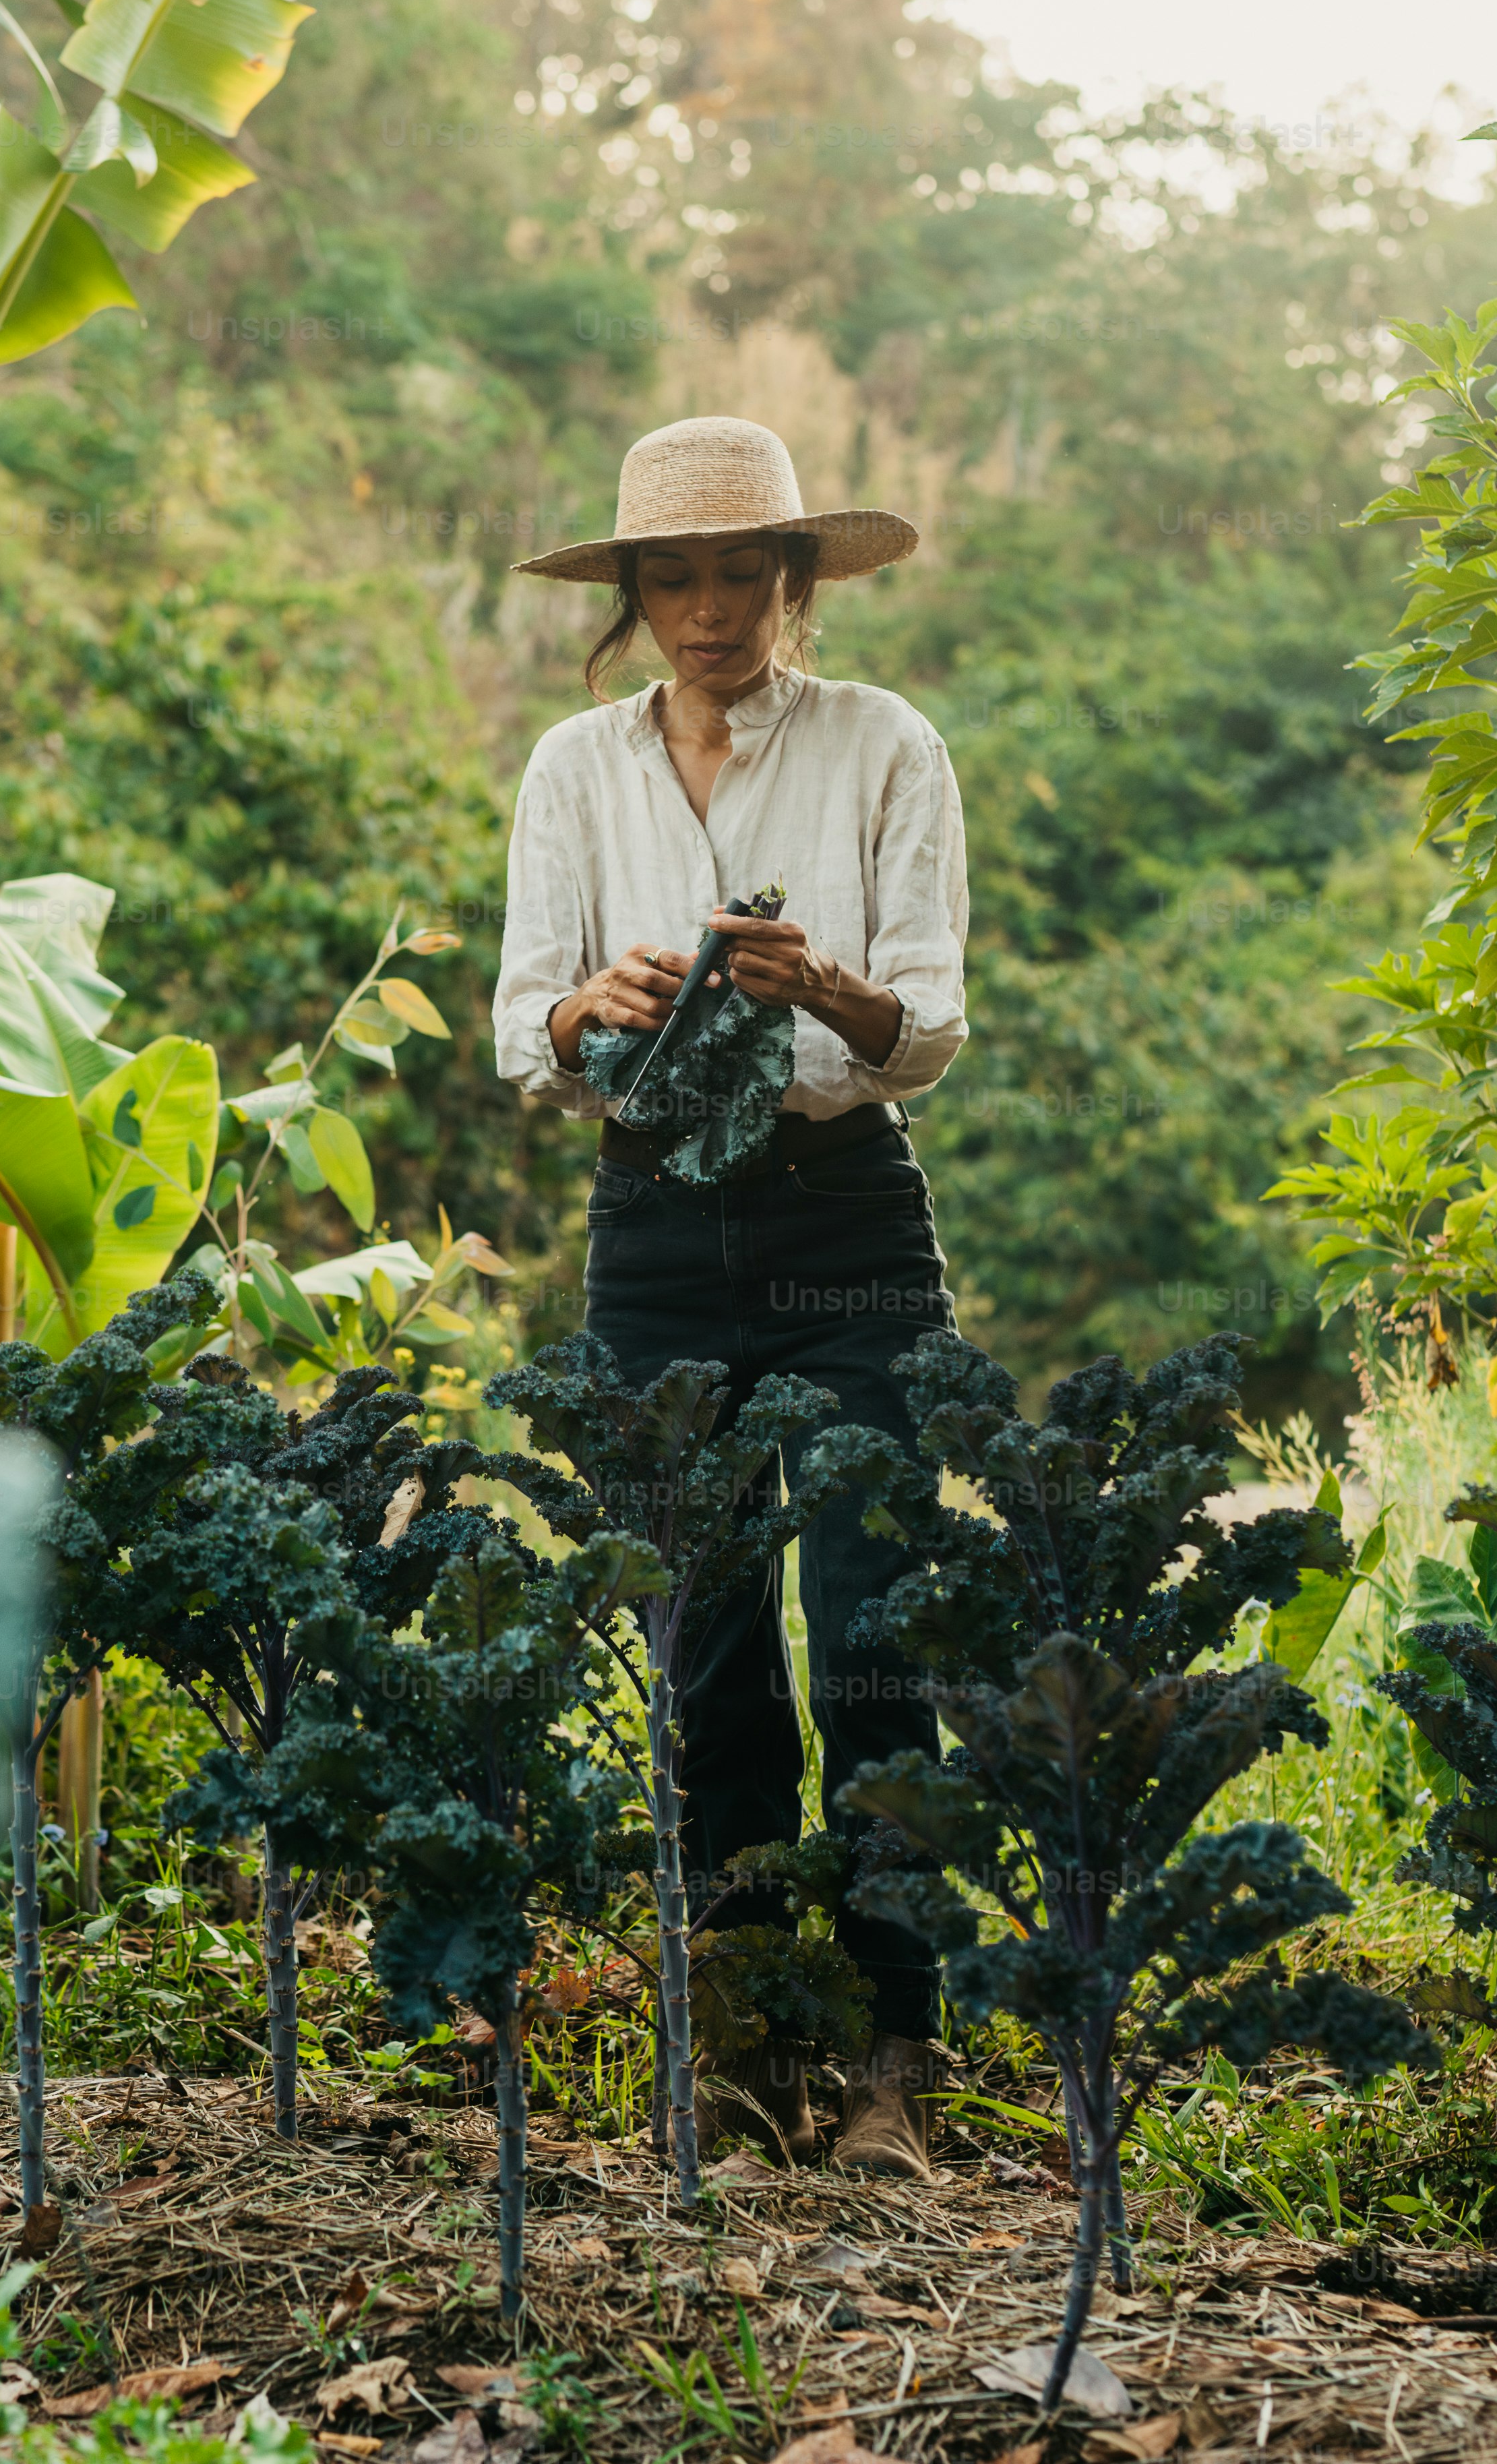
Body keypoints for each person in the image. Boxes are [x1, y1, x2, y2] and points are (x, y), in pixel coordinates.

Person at [491, 415, 970, 2177]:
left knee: (870, 1639)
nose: (707, 608)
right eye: (670, 576)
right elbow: (517, 1027)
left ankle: (904, 2046)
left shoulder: (885, 748)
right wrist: (590, 1010)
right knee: (700, 1647)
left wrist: (822, 988)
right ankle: (756, 2039)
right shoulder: (573, 770)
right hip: (658, 1234)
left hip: (846, 1223)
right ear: (631, 591)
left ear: (794, 579)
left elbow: (927, 1029)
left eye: (737, 572)